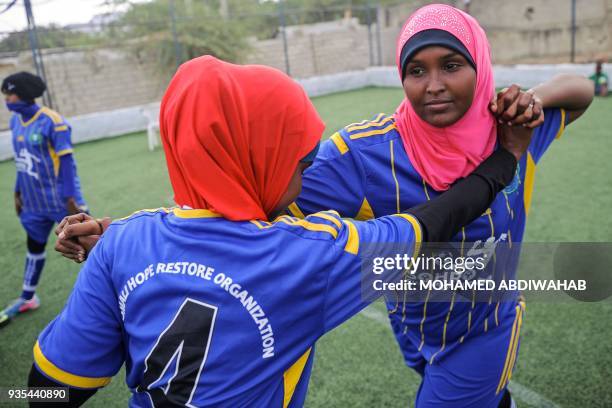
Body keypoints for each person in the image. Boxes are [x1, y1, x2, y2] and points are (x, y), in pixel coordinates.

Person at [33, 56, 531, 406]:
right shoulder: (307, 253)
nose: (306, 176)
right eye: (300, 158)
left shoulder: (122, 244)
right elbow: (427, 225)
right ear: (257, 158)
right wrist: (505, 159)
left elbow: (50, 388)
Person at [285, 4, 593, 407]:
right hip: (409, 317)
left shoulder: (515, 128)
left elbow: (581, 91)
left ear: (479, 67)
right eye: (416, 71)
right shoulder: (365, 155)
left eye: (450, 65)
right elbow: (277, 199)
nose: (433, 85)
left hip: (483, 330)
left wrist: (534, 98)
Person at [0, 72, 87, 328]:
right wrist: (18, 192)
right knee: (34, 249)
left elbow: (68, 163)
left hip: (61, 201)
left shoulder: (53, 122)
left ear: (26, 94)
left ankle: (117, 291)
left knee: (89, 247)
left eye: (10, 94)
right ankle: (28, 297)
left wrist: (70, 199)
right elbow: (21, 162)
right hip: (33, 204)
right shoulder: (16, 122)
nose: (7, 99)